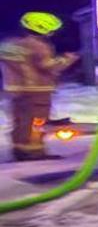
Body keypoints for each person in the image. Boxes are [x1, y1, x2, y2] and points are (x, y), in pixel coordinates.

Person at [1, 12, 79, 161]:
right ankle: (34, 152)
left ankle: (19, 150)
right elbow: (49, 66)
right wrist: (67, 59)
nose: (52, 33)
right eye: (51, 30)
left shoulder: (9, 45)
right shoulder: (38, 46)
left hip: (14, 90)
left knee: (20, 122)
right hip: (37, 92)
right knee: (37, 123)